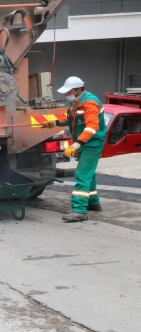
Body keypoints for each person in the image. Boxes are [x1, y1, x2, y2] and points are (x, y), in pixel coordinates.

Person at [41, 76, 106, 222]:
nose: (66, 95)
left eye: (69, 92)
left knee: (82, 174)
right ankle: (93, 203)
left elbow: (92, 127)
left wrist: (77, 144)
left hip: (92, 143)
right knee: (89, 173)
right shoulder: (75, 103)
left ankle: (79, 210)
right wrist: (55, 122)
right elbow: (72, 121)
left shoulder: (90, 103)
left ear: (79, 90)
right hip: (85, 142)